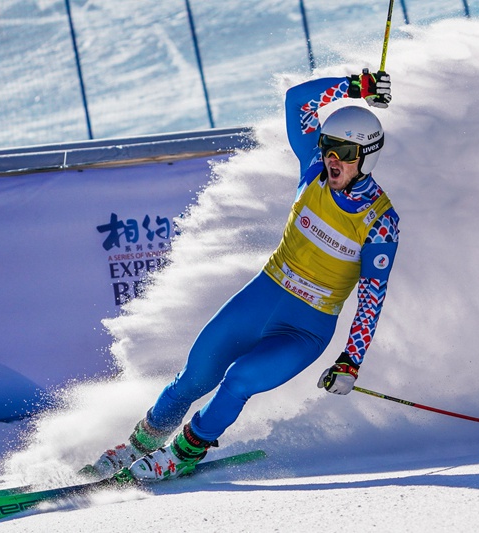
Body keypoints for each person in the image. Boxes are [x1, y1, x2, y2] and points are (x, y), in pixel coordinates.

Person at [89, 70, 398, 481]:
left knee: (238, 380)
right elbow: (298, 101)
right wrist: (354, 86)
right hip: (264, 296)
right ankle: (138, 444)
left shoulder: (381, 222)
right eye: (327, 146)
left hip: (306, 328)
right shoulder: (312, 170)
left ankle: (185, 451)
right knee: (194, 376)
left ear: (366, 155)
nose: (331, 158)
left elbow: (372, 298)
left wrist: (350, 361)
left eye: (342, 151)